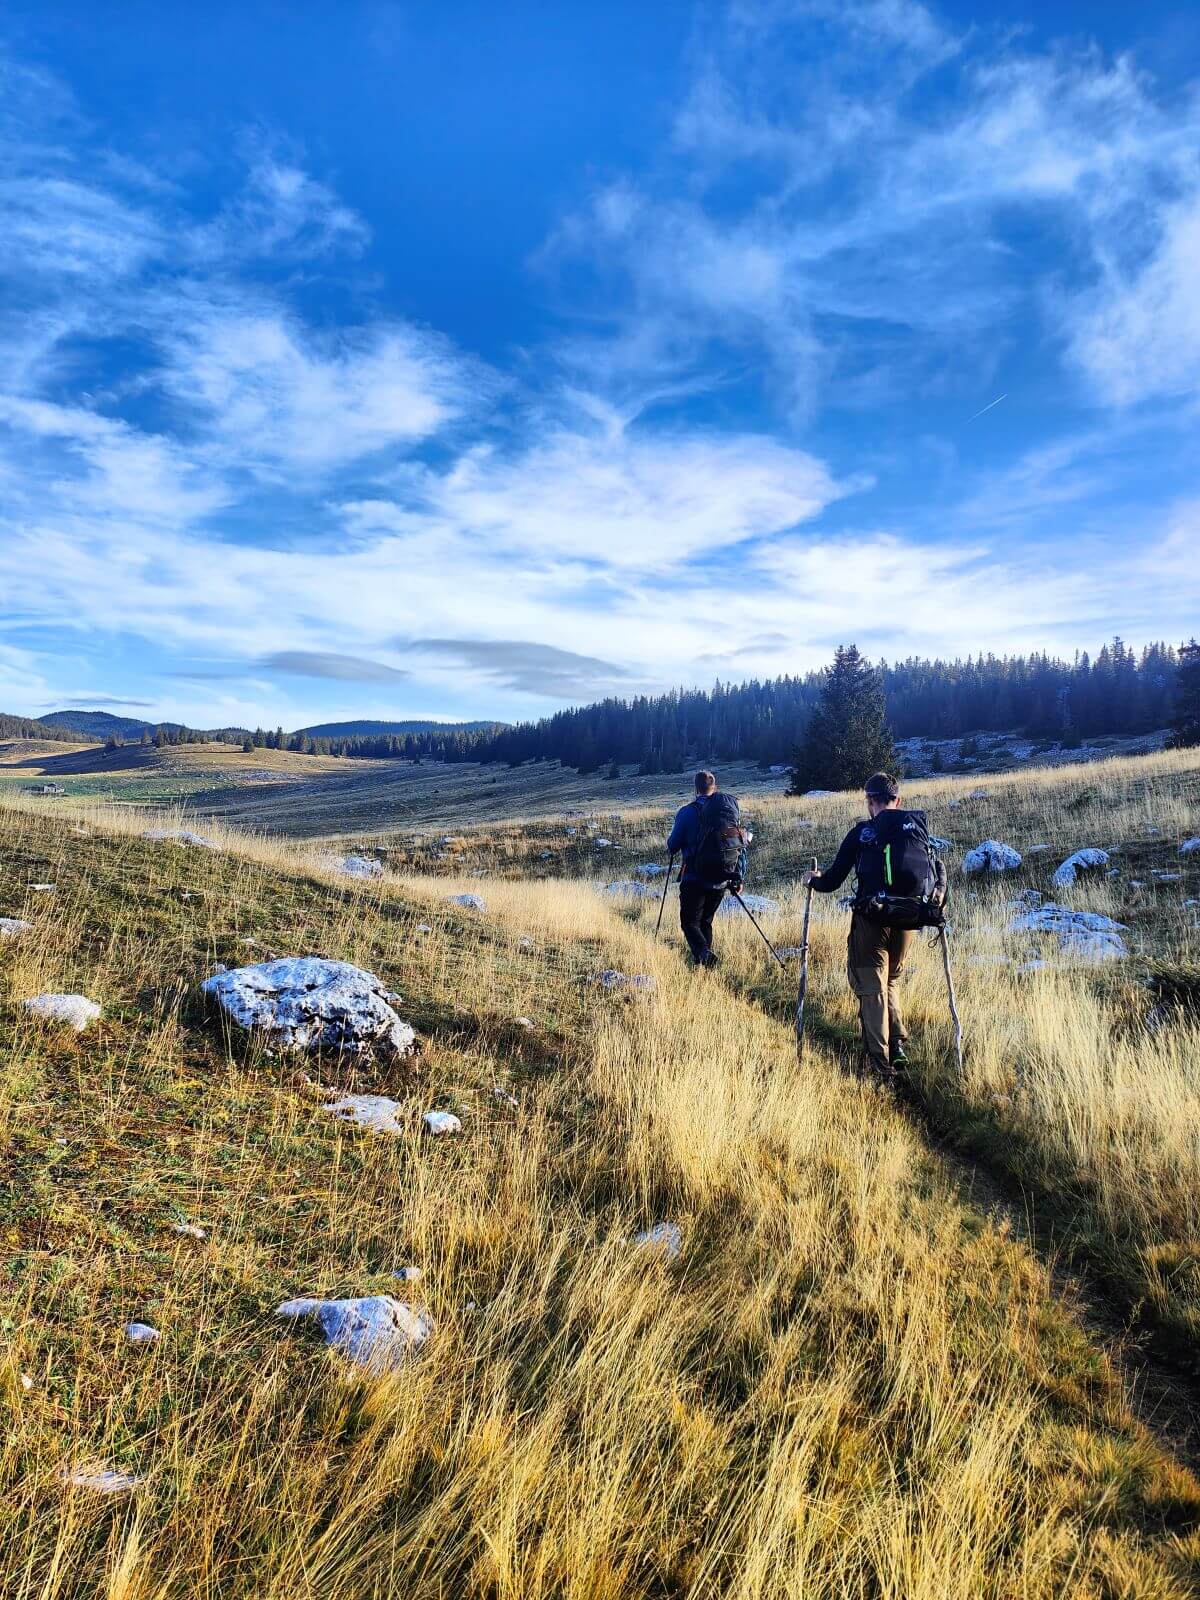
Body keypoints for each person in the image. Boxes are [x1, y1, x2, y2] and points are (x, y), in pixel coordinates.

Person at [802, 772, 915, 1081]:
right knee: (891, 981)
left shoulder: (862, 833)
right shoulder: (913, 828)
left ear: (869, 801)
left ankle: (881, 1067)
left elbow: (833, 880)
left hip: (871, 919)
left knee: (871, 988)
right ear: (897, 800)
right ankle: (897, 1043)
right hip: (908, 917)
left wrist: (814, 880)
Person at [666, 770, 744, 967]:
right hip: (721, 879)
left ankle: (704, 956)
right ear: (714, 788)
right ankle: (703, 964)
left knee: (690, 923)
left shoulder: (687, 812)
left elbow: (673, 845)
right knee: (705, 922)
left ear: (696, 789)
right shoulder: (728, 811)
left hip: (694, 877)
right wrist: (738, 877)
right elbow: (738, 845)